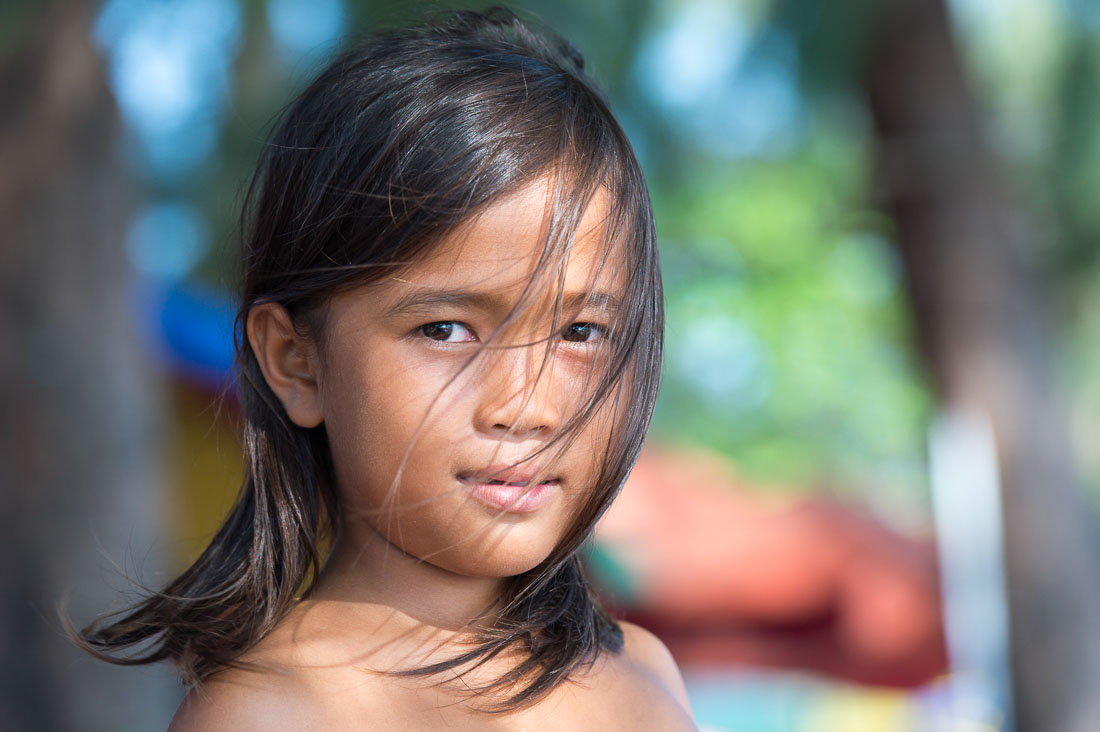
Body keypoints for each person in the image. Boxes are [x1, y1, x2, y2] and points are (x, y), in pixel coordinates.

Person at [75, 7, 695, 730]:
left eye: (581, 332)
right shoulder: (266, 714)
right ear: (295, 361)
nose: (528, 404)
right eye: (445, 329)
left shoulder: (642, 670)